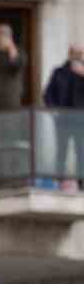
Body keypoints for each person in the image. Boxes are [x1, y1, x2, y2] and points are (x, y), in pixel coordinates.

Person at [43, 45, 84, 190]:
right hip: (63, 120)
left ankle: (82, 184)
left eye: (80, 54)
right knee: (61, 151)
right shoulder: (59, 72)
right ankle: (59, 182)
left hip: (80, 120)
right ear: (69, 54)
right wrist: (53, 109)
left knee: (81, 151)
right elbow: (47, 94)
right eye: (75, 53)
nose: (78, 56)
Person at [0, 22, 24, 113]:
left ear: (10, 36)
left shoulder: (19, 52)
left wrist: (11, 48)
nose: (1, 36)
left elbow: (16, 66)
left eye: (4, 33)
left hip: (10, 102)